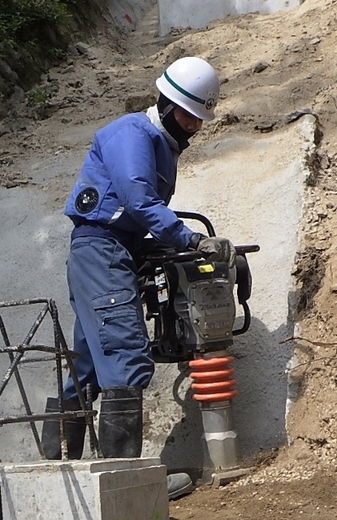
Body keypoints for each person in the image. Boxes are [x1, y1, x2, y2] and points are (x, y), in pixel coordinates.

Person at [41, 56, 236, 499]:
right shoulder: (133, 133)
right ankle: (127, 481)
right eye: (190, 116)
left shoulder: (159, 143)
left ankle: (55, 471)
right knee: (127, 354)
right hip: (103, 250)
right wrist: (189, 239)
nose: (194, 126)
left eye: (200, 119)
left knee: (88, 364)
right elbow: (136, 198)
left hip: (114, 251)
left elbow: (137, 212)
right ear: (167, 105)